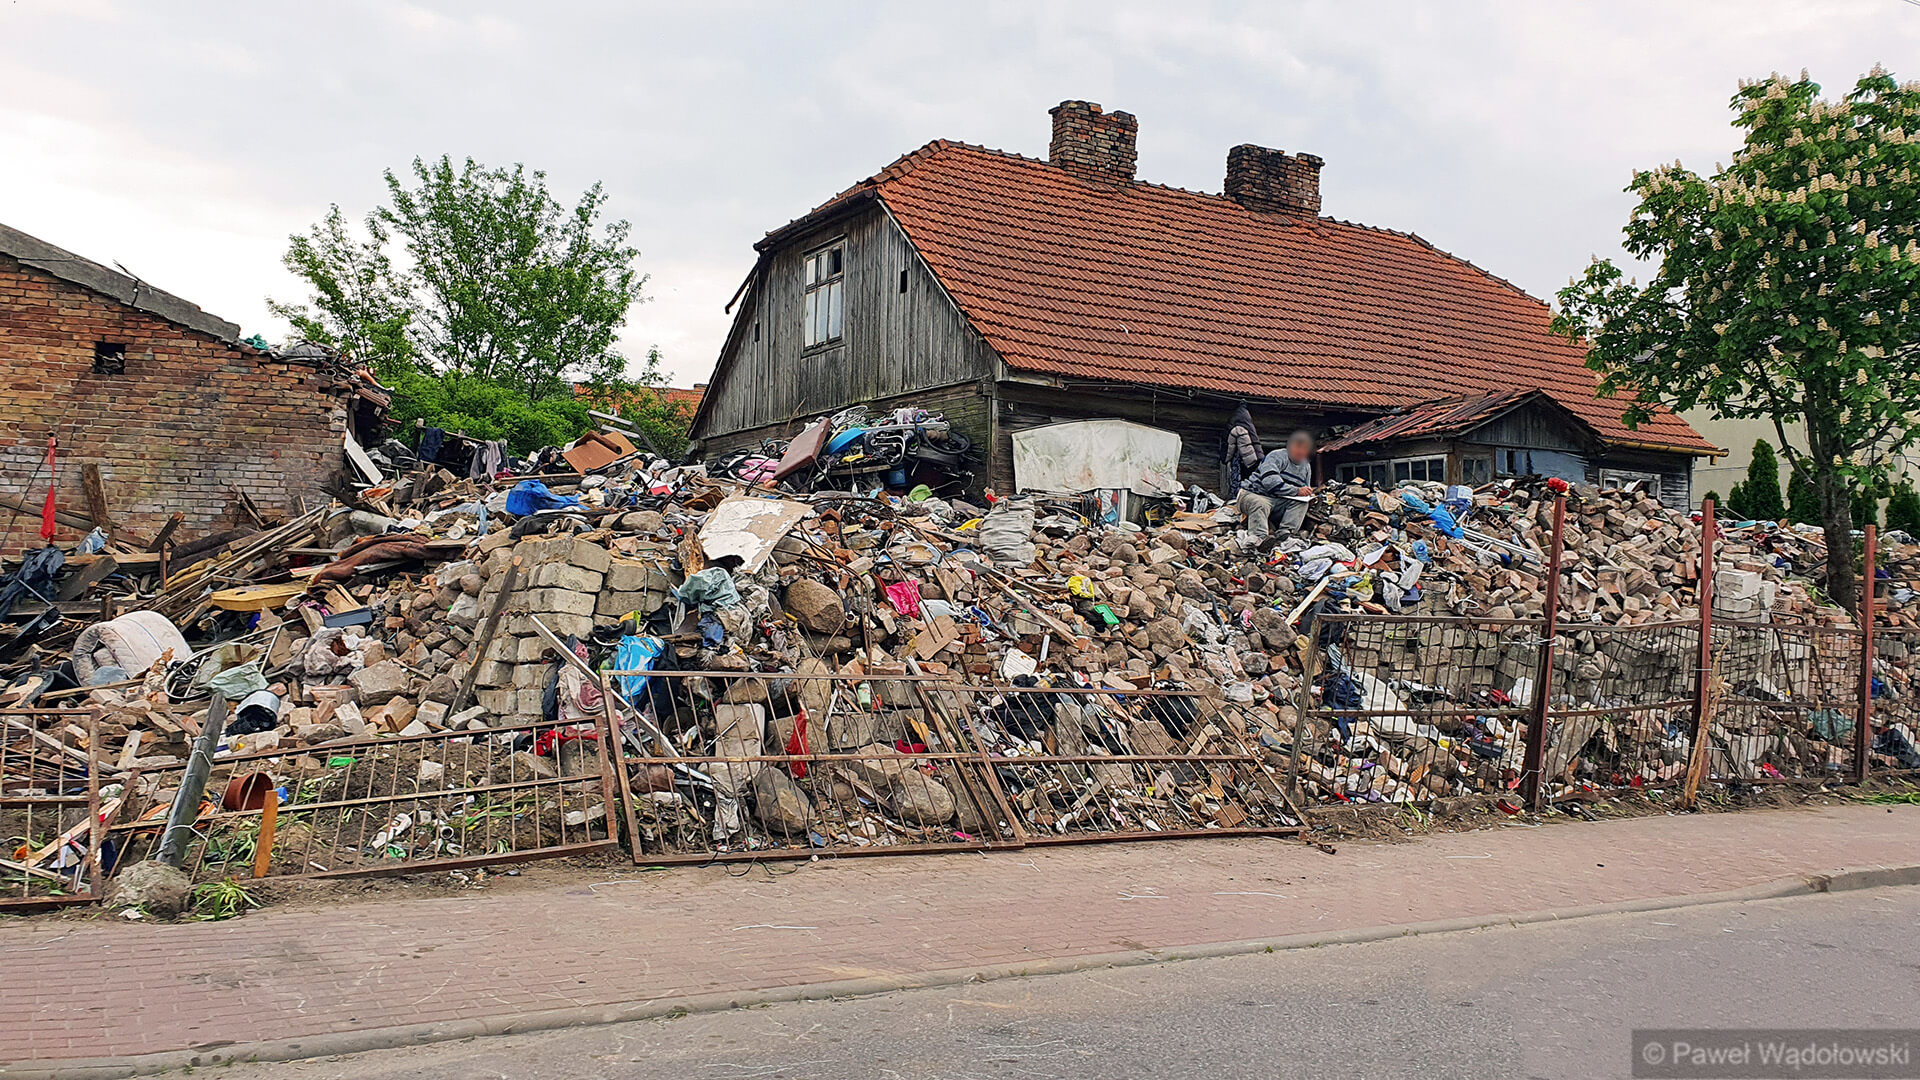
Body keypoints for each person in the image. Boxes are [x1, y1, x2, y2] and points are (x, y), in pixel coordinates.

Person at [1238, 430, 1315, 540]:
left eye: (1305, 449)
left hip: (1279, 502)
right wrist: (1297, 491)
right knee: (1260, 503)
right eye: (1298, 447)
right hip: (1254, 494)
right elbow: (1270, 482)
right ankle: (1259, 539)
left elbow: (1303, 489)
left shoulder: (1306, 466)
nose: (1301, 451)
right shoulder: (1276, 456)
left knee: (1302, 503)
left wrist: (1307, 493)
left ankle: (1286, 533)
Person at [1222, 402, 1264, 496]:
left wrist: (1225, 458)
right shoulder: (1248, 424)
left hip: (1243, 460)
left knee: (1240, 478)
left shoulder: (1235, 424)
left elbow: (1230, 445)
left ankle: (1237, 493)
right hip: (1250, 460)